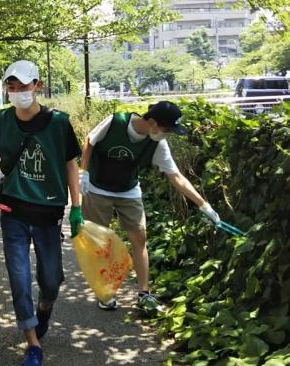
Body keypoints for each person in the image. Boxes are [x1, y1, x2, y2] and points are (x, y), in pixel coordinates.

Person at [0, 60, 83, 366]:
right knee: (19, 279)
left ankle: (44, 310)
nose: (17, 92)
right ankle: (33, 345)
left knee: (51, 280)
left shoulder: (59, 123)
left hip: (48, 214)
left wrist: (76, 207)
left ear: (38, 85)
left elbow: (70, 165)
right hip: (12, 211)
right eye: (11, 87)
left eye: (23, 86)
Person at [79, 101, 221, 311]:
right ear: (153, 122)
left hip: (128, 189)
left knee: (140, 238)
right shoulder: (116, 122)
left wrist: (204, 205)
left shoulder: (157, 142)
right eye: (167, 129)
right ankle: (106, 291)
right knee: (100, 241)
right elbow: (90, 141)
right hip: (98, 188)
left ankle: (144, 294)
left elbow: (176, 177)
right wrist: (84, 171)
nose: (168, 134)